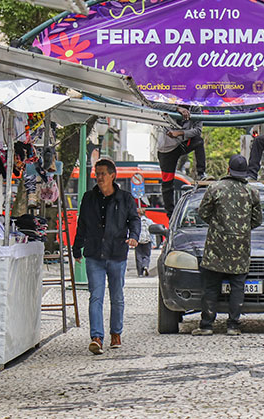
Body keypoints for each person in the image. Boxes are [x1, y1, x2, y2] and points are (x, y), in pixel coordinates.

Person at [72, 158, 141, 355]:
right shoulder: (88, 198)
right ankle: (96, 337)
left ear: (112, 175)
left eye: (103, 173)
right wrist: (77, 249)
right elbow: (82, 225)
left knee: (117, 297)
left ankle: (116, 334)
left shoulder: (125, 198)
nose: (99, 177)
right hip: (94, 253)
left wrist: (134, 237)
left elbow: (134, 220)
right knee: (96, 296)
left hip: (117, 253)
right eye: (97, 173)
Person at [192, 155, 262, 337]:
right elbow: (257, 220)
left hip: (216, 246)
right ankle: (233, 325)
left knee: (211, 287)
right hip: (241, 246)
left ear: (228, 170)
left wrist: (217, 225)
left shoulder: (215, 188)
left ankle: (207, 325)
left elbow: (203, 213)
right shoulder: (252, 192)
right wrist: (242, 228)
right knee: (238, 287)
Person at [157, 105, 208, 216]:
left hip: (182, 142)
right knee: (167, 183)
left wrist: (180, 133)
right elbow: (154, 105)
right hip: (167, 148)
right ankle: (170, 214)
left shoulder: (195, 108)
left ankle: (201, 172)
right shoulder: (167, 101)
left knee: (199, 141)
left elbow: (198, 130)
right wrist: (176, 109)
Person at [135, 208, 155, 277]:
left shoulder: (136, 221)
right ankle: (145, 265)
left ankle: (140, 273)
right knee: (147, 255)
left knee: (138, 256)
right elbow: (153, 232)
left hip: (138, 240)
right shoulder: (149, 221)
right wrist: (154, 243)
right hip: (147, 240)